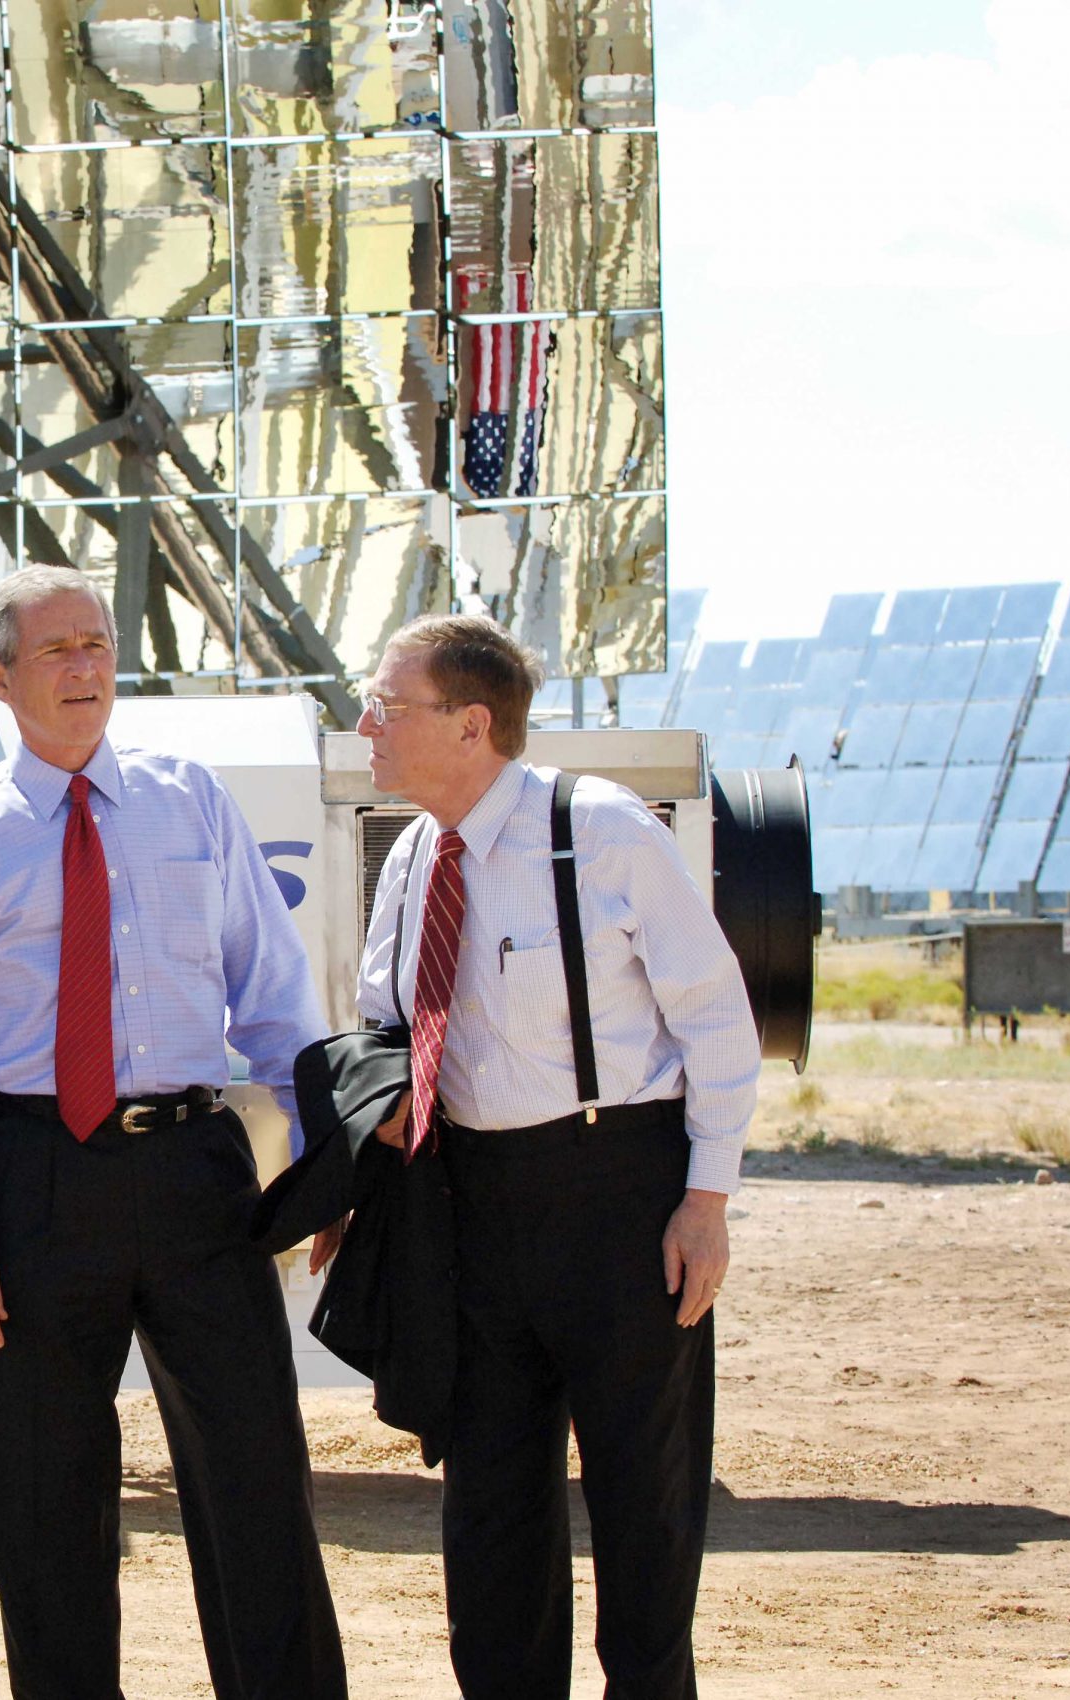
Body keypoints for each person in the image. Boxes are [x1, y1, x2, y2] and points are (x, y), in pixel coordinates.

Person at [0, 565, 347, 1700]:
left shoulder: (188, 795)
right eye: (55, 650)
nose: (86, 666)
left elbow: (276, 996)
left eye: (97, 641)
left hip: (197, 1169)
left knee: (254, 1475)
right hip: (33, 1180)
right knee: (49, 1501)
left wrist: (328, 1167)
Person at [352, 613, 761, 1700]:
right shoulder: (409, 854)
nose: (365, 724)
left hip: (617, 1199)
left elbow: (717, 1022)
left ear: (471, 723)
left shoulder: (602, 831)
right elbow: (382, 1028)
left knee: (643, 1501)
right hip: (470, 1212)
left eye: (387, 705)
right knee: (487, 1506)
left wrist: (705, 1199)